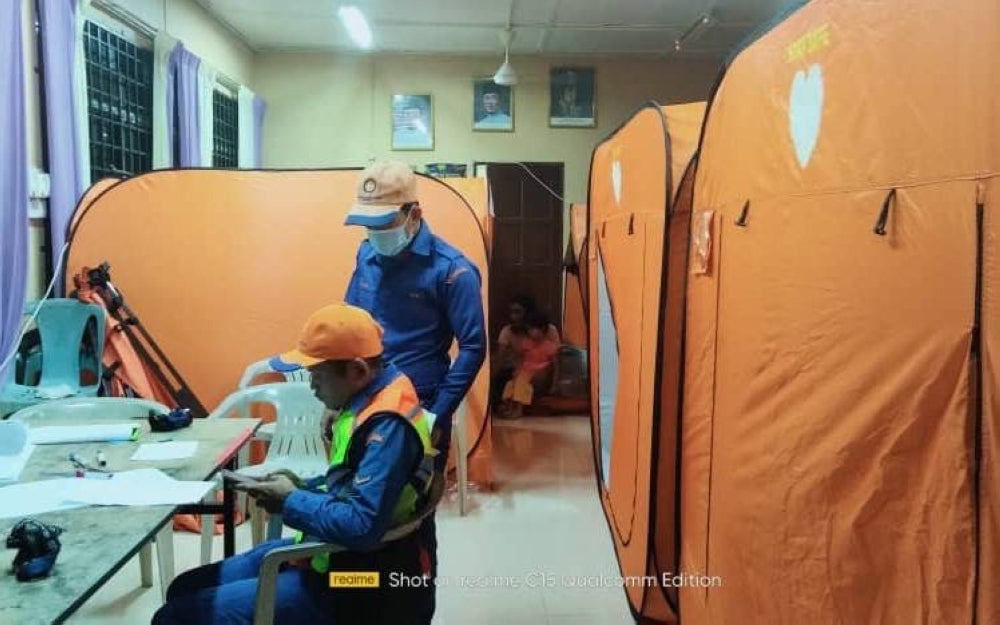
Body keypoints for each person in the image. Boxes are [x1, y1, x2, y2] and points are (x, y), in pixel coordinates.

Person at [151, 303, 437, 625]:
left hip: (362, 582)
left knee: (175, 617)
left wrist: (290, 499)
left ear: (358, 371)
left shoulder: (388, 426)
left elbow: (361, 526)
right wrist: (302, 487)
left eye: (317, 377)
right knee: (185, 587)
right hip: (332, 556)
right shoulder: (371, 391)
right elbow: (352, 485)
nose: (311, 387)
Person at [342, 160, 487, 623]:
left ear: (413, 215)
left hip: (416, 410)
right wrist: (341, 400)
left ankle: (412, 609)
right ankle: (359, 599)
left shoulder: (452, 271)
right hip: (363, 405)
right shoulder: (366, 255)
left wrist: (437, 415)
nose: (374, 234)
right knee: (359, 514)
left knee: (409, 522)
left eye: (383, 224)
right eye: (366, 225)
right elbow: (352, 324)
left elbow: (474, 346)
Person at [498, 310, 561, 419]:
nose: (529, 332)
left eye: (532, 329)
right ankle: (510, 406)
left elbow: (555, 365)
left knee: (521, 383)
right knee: (511, 383)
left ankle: (518, 409)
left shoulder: (549, 346)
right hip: (526, 370)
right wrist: (517, 370)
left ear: (542, 329)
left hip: (540, 370)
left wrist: (554, 383)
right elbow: (521, 359)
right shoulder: (526, 343)